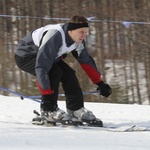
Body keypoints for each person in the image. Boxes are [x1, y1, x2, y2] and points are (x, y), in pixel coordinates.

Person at [14, 15, 112, 126]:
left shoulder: (78, 41)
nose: (84, 35)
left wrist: (100, 83)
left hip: (48, 57)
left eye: (86, 32)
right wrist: (47, 97)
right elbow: (42, 67)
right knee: (54, 71)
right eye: (81, 32)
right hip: (26, 56)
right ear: (71, 31)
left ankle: (75, 109)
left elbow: (86, 62)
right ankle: (49, 111)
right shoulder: (55, 36)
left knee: (69, 74)